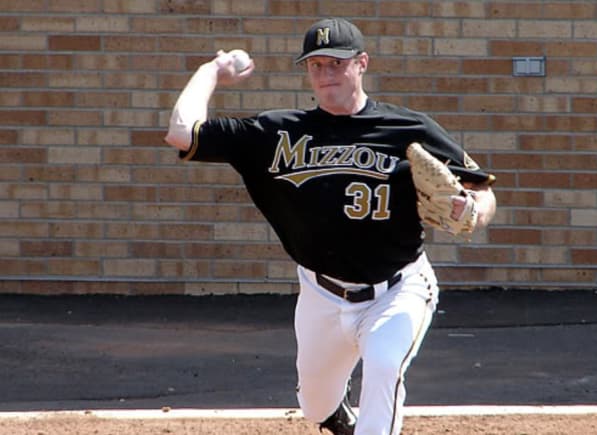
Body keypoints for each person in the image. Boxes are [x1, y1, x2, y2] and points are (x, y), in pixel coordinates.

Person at [164, 17, 496, 435]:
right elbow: (181, 132)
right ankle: (338, 419)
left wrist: (475, 209)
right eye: (316, 65)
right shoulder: (275, 133)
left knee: (384, 365)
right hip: (320, 293)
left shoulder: (408, 129)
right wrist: (212, 70)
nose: (325, 74)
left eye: (336, 63)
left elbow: (480, 189)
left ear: (362, 64)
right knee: (315, 402)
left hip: (397, 289)